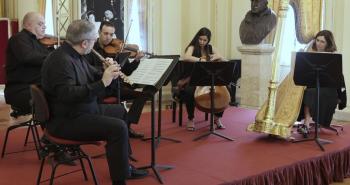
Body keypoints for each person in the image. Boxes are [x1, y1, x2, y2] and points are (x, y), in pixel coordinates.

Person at [41, 20, 148, 185]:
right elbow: (67, 95)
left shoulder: (76, 54)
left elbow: (91, 73)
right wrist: (103, 82)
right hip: (67, 120)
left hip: (80, 110)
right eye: (93, 39)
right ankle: (119, 181)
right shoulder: (60, 61)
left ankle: (124, 166)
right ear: (84, 43)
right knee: (118, 128)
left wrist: (107, 71)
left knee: (120, 111)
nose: (95, 42)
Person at [85, 21, 157, 138]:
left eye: (111, 34)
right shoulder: (91, 49)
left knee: (146, 93)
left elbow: (127, 71)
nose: (108, 37)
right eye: (105, 33)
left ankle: (127, 123)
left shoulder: (116, 49)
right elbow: (88, 70)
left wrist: (137, 60)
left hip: (117, 86)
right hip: (102, 88)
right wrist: (104, 69)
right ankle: (117, 127)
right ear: (99, 32)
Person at [298, 30, 347, 135]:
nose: (318, 44)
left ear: (328, 43)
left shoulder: (332, 58)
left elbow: (338, 80)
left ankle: (306, 124)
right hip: (316, 88)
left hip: (331, 90)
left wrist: (341, 97)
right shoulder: (311, 57)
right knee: (307, 91)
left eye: (322, 42)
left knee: (309, 92)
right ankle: (307, 122)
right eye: (317, 40)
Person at [179, 27, 226, 131]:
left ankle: (217, 118)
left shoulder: (210, 48)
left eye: (205, 40)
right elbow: (186, 57)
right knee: (189, 92)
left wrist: (219, 56)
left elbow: (224, 60)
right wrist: (201, 59)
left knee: (226, 92)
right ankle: (191, 118)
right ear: (197, 37)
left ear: (208, 40)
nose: (202, 42)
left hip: (208, 79)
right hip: (193, 78)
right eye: (200, 39)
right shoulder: (192, 47)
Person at [4, 12, 51, 116]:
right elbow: (28, 57)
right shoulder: (18, 38)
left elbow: (46, 61)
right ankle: (54, 129)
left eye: (44, 24)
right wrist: (54, 57)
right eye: (40, 24)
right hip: (21, 90)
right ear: (28, 25)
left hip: (36, 86)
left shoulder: (39, 43)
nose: (44, 27)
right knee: (60, 97)